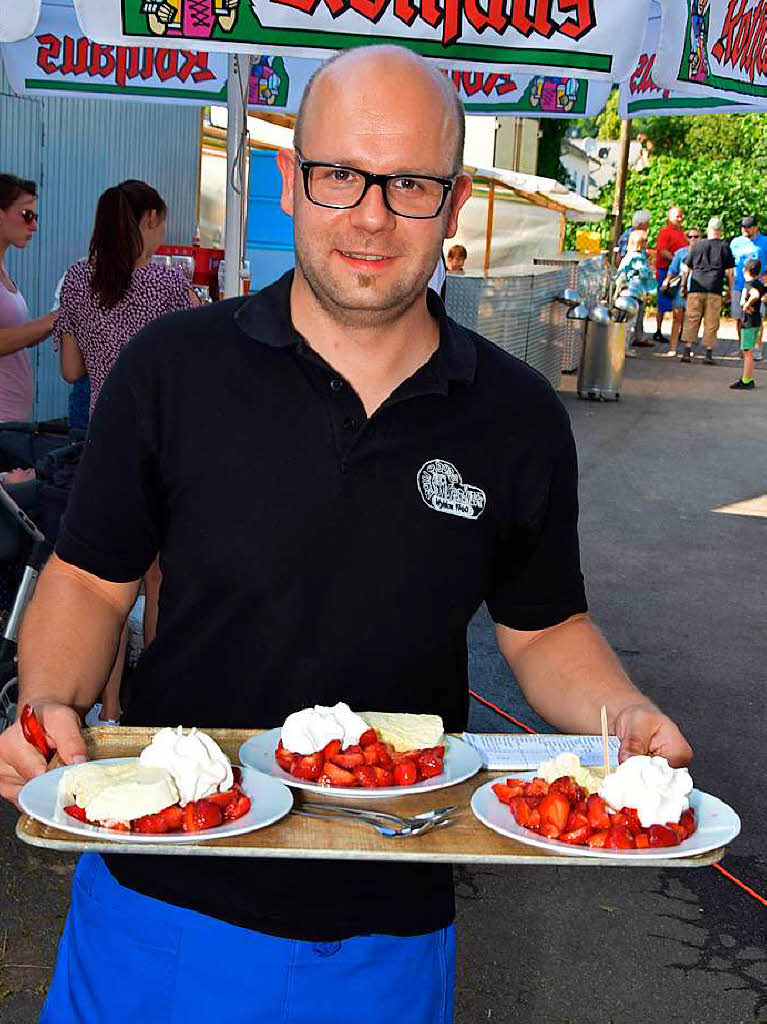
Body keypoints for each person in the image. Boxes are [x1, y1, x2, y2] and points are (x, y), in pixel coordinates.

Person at [0, 47, 692, 1023]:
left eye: (408, 183)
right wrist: (46, 702)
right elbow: (88, 581)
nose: (370, 215)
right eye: (340, 174)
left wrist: (623, 716)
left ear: (450, 204)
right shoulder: (172, 371)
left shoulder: (515, 413)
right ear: (289, 179)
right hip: (160, 890)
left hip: (386, 924)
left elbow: (541, 629)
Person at [54, 180, 199, 725]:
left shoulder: (76, 278)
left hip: (100, 446)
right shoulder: (166, 283)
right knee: (159, 581)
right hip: (164, 444)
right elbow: (195, 362)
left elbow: (71, 370)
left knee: (108, 588)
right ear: (150, 218)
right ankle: (154, 708)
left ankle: (109, 711)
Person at [0, 174, 57, 422]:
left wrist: (64, 316)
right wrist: (52, 320)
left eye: (36, 217)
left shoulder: (3, 270)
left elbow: (19, 336)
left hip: (12, 419)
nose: (34, 225)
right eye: (27, 215)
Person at [680, 216, 734, 365]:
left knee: (691, 318)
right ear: (721, 231)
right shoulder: (724, 247)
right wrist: (730, 290)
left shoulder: (697, 246)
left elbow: (686, 269)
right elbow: (730, 272)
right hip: (714, 289)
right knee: (711, 322)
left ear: (708, 230)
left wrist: (683, 286)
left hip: (696, 288)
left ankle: (687, 351)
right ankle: (708, 354)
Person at [729, 215, 767, 359]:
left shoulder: (764, 242)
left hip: (757, 286)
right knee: (739, 317)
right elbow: (731, 265)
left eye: (748, 227)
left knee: (757, 316)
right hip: (739, 285)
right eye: (743, 227)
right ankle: (743, 347)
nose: (745, 229)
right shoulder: (736, 242)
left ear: (756, 227)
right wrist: (732, 285)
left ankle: (757, 348)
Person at [662, 226, 701, 358]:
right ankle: (673, 348)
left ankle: (687, 348)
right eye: (690, 237)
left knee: (691, 321)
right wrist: (666, 281)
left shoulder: (703, 253)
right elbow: (672, 270)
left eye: (696, 236)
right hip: (681, 289)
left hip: (696, 289)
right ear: (686, 238)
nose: (693, 239)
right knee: (677, 319)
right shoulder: (681, 253)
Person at [614, 230, 655, 349]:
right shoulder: (638, 258)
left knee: (624, 323)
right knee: (629, 324)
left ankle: (619, 347)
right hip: (633, 294)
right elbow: (644, 275)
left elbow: (620, 275)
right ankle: (623, 348)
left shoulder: (627, 256)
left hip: (625, 293)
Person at [653, 205, 687, 342]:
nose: (679, 219)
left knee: (680, 301)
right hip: (665, 269)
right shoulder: (664, 232)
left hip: (680, 272)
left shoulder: (682, 233)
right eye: (677, 216)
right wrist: (676, 260)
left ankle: (680, 331)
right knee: (663, 301)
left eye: (681, 216)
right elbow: (661, 250)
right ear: (669, 217)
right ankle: (658, 330)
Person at [730, 258, 764, 390]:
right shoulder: (758, 283)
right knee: (748, 351)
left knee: (747, 352)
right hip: (755, 321)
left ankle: (746, 380)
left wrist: (747, 304)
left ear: (746, 270)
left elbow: (755, 294)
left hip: (749, 323)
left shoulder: (751, 284)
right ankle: (747, 377)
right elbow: (761, 294)